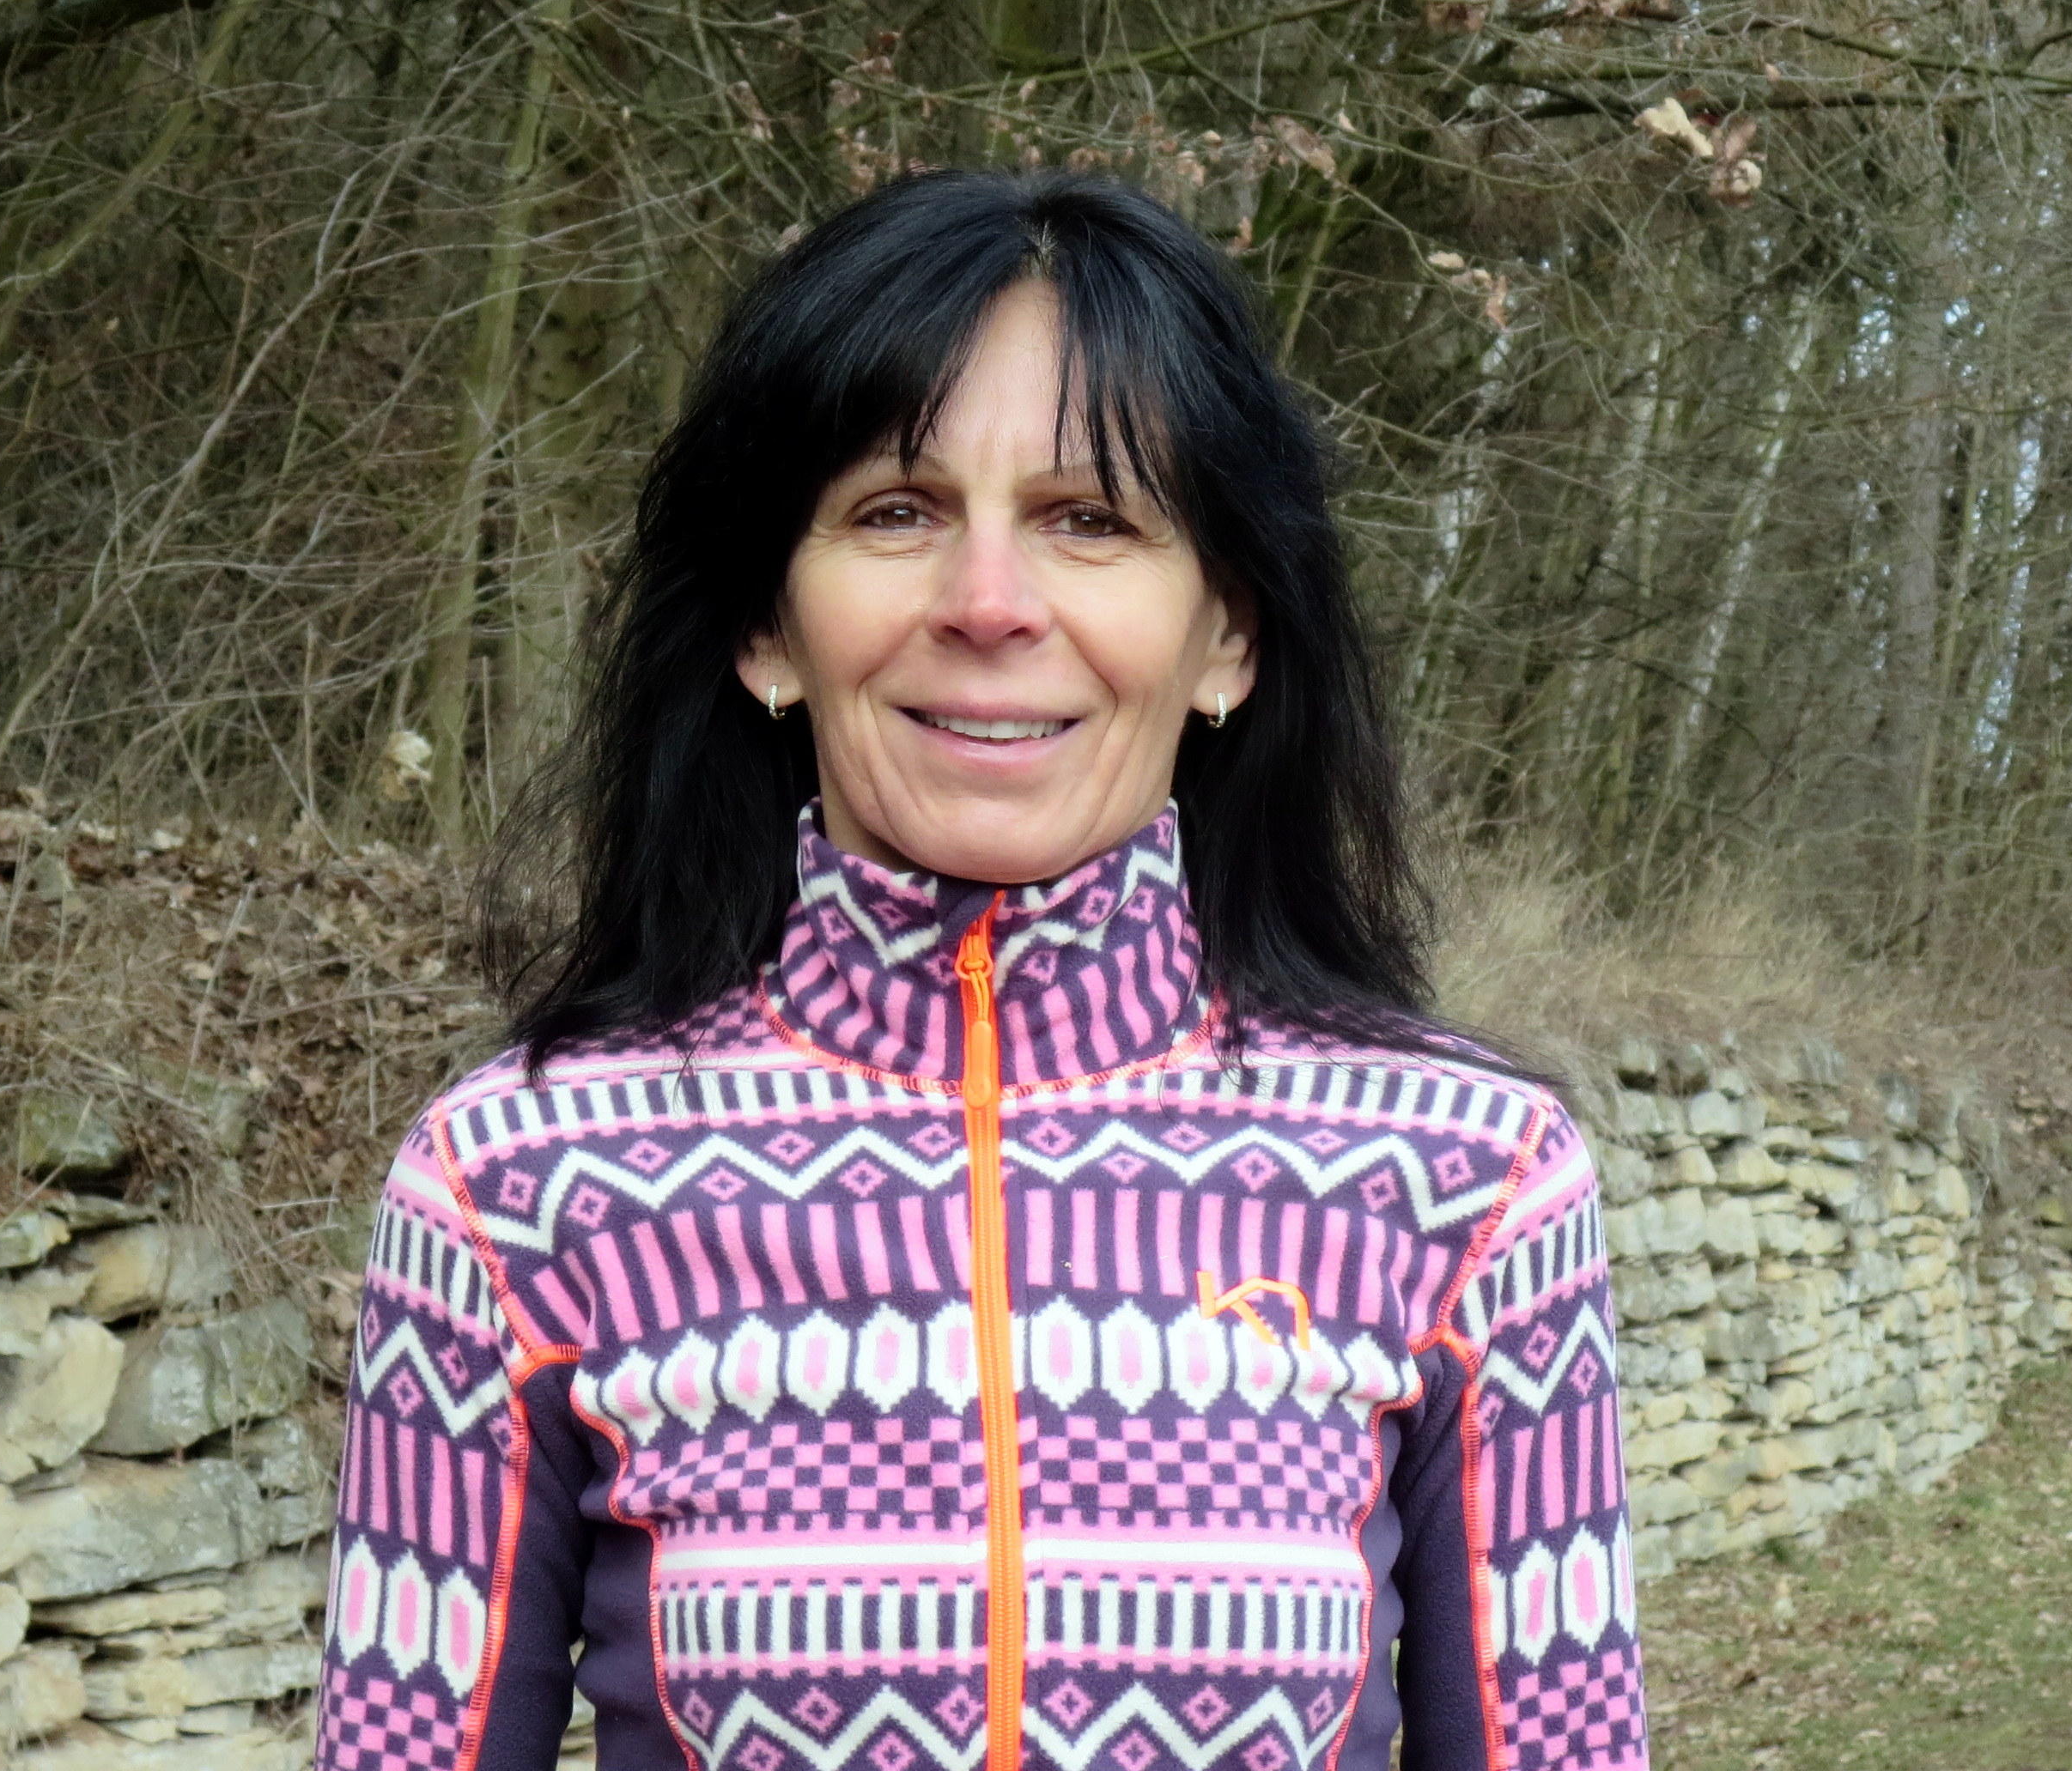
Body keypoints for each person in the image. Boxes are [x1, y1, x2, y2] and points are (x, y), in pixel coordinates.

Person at [319, 171, 1646, 1771]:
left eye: (1093, 521)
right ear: (766, 626)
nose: (990, 606)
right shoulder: (515, 1189)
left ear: (1228, 636)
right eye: (897, 512)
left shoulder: (1467, 1183)